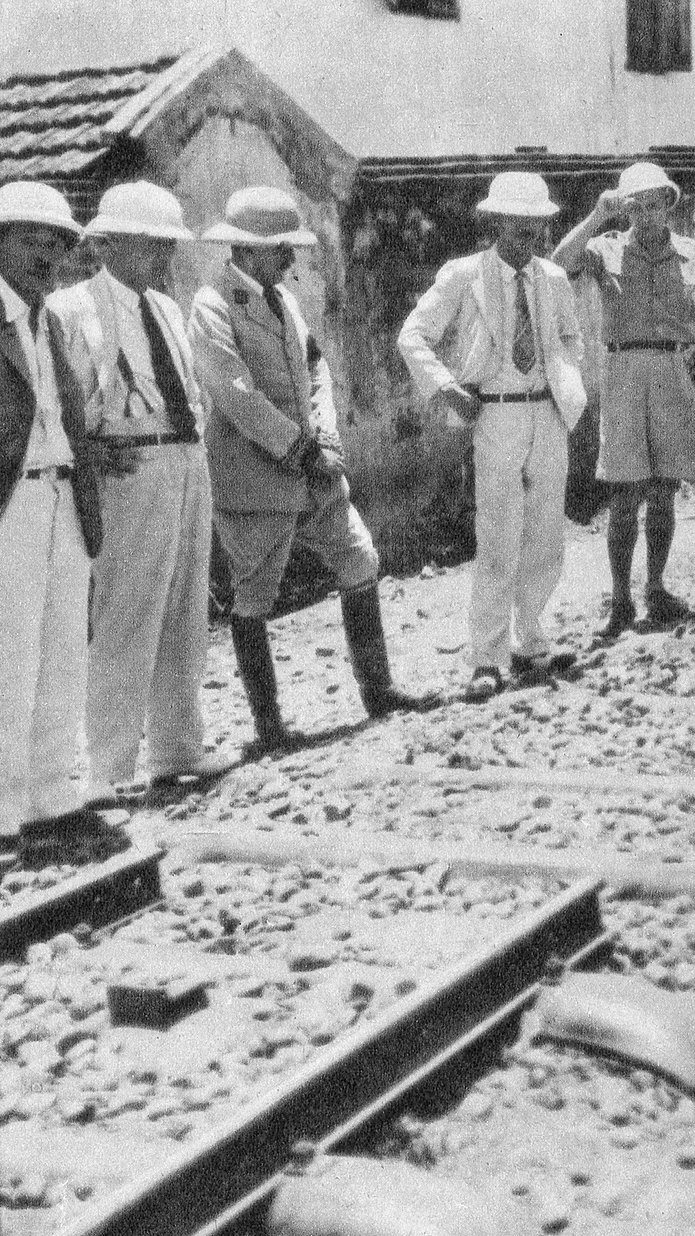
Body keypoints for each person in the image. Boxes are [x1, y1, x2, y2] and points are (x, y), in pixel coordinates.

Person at [188, 186, 432, 751]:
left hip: (317, 470)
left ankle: (379, 692)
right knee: (253, 597)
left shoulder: (287, 303)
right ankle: (270, 727)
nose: (291, 260)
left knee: (360, 560)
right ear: (247, 252)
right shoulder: (212, 305)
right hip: (254, 475)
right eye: (281, 250)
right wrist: (298, 447)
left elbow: (315, 368)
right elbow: (233, 392)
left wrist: (324, 436)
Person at [49, 181, 238, 802]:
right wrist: (87, 451)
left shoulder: (164, 307)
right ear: (108, 243)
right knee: (129, 611)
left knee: (186, 608)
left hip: (185, 459)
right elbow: (58, 401)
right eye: (149, 243)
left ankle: (178, 747)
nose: (161, 255)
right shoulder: (72, 310)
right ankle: (108, 765)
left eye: (166, 244)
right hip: (129, 468)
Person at [397, 171, 586, 703]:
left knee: (546, 535)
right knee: (498, 535)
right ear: (497, 222)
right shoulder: (465, 275)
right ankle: (486, 656)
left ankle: (531, 641)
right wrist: (446, 389)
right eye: (518, 224)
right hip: (496, 414)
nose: (529, 235)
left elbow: (570, 336)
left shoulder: (553, 278)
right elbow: (413, 335)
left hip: (546, 413)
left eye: (538, 225)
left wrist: (566, 378)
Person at [552, 161, 695, 637]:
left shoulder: (689, 252)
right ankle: (620, 598)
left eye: (657, 204)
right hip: (624, 370)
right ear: (626, 209)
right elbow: (557, 266)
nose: (648, 214)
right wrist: (596, 216)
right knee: (624, 491)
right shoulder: (604, 248)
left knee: (663, 490)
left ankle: (655, 588)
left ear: (668, 205)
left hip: (673, 369)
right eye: (638, 205)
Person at [0, 181, 126, 862]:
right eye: (29, 238)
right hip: (11, 503)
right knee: (7, 656)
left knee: (60, 653)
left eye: (56, 243)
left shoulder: (47, 320)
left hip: (63, 499)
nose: (44, 252)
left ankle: (51, 797)